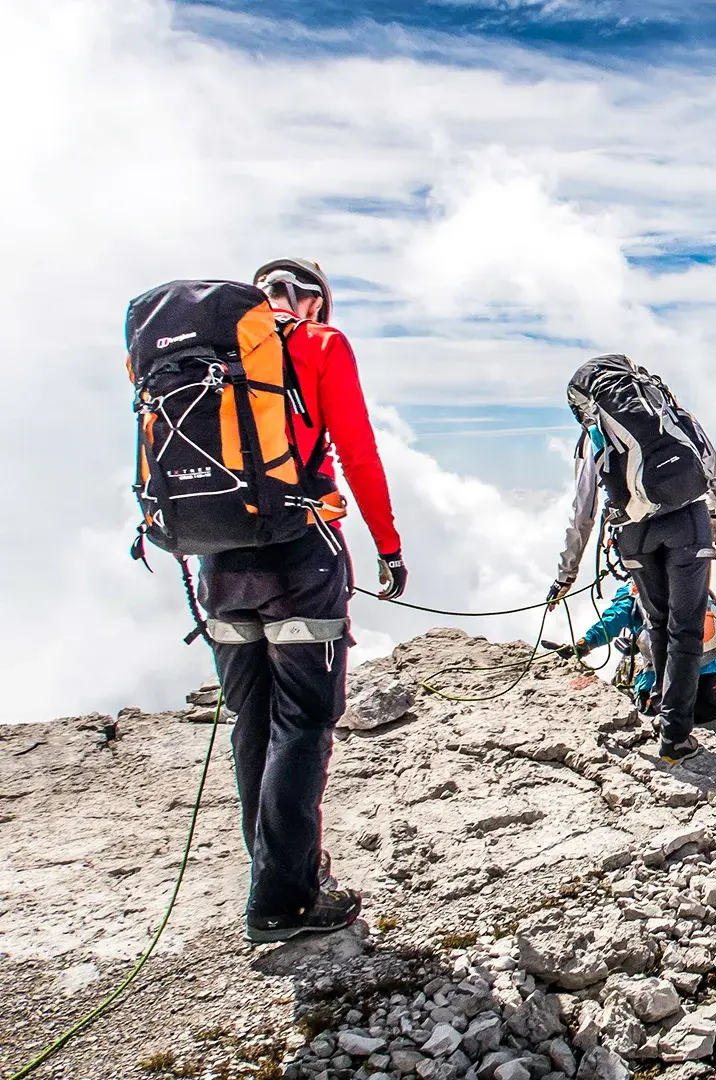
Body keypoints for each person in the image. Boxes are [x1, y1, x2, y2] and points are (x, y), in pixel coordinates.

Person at [200, 258, 406, 943]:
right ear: (314, 302)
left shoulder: (207, 352)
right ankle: (286, 897)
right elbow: (356, 451)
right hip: (298, 554)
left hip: (218, 563)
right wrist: (389, 544)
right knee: (304, 719)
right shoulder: (319, 344)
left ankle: (272, 870)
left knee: (251, 716)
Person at [549, 354, 716, 763]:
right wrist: (715, 513)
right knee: (685, 630)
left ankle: (663, 723)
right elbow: (710, 459)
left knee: (656, 623)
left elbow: (583, 509)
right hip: (688, 523)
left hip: (635, 532)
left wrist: (567, 574)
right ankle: (676, 735)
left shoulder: (595, 432)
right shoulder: (667, 409)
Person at [554, 582, 716, 735]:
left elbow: (612, 620)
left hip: (661, 682)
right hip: (710, 675)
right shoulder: (689, 574)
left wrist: (583, 645)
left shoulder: (636, 586)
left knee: (668, 743)